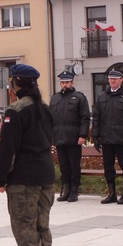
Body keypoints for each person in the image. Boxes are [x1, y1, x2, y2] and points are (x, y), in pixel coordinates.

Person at [0, 63, 55, 246]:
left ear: (15, 83)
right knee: (42, 223)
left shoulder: (15, 110)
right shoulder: (45, 108)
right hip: (46, 175)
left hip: (24, 178)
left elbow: (9, 149)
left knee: (24, 223)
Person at [92, 69, 123, 205]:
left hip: (122, 139)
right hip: (107, 139)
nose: (112, 81)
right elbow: (96, 118)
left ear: (121, 80)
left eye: (115, 79)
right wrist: (95, 136)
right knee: (108, 167)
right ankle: (112, 193)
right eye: (110, 79)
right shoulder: (102, 97)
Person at [49, 71, 90, 202]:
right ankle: (66, 190)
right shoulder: (55, 98)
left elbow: (85, 118)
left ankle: (74, 191)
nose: (65, 85)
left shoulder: (79, 97)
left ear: (72, 83)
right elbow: (50, 119)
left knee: (74, 165)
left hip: (74, 138)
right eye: (62, 82)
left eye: (67, 82)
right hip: (59, 137)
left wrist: (83, 135)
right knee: (64, 166)